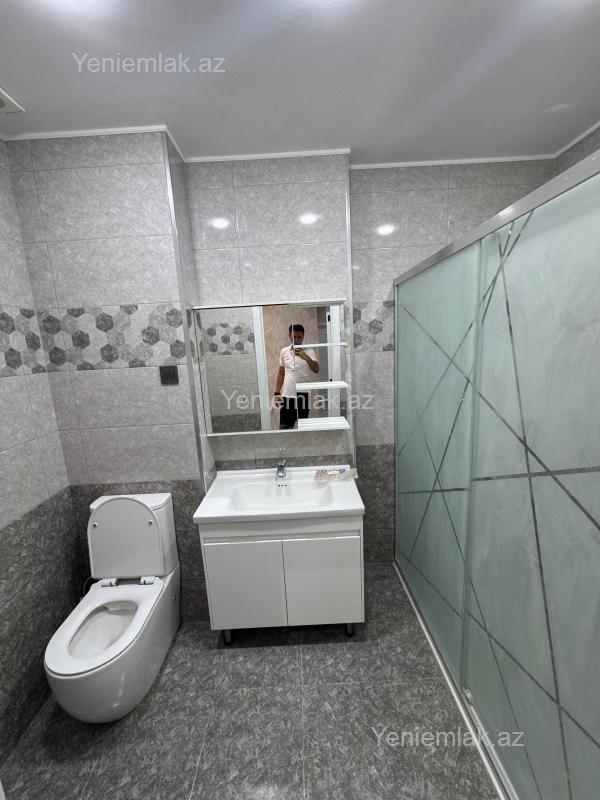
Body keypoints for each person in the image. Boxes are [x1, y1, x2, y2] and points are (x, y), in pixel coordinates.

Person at [275, 324, 319, 429]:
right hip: (287, 395)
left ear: (303, 336)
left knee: (302, 428)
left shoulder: (309, 351)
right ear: (289, 336)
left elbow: (316, 370)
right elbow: (281, 373)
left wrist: (306, 357)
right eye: (294, 337)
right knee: (285, 428)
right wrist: (277, 393)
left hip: (303, 395)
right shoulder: (284, 351)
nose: (297, 339)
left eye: (299, 337)